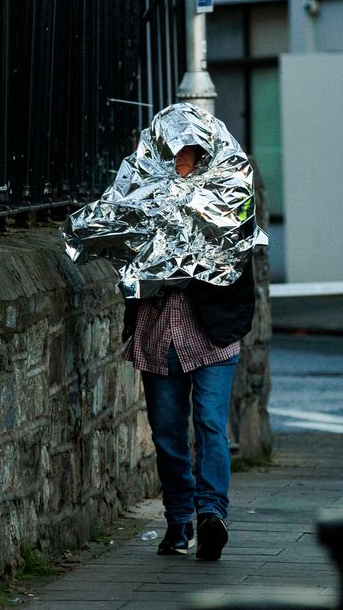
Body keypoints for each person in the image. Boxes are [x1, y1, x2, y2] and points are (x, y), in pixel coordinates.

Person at [122, 141, 256, 560]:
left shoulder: (227, 195)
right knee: (167, 434)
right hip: (158, 332)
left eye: (188, 154)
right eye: (173, 154)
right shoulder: (142, 195)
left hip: (210, 335)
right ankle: (179, 520)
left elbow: (237, 256)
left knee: (211, 425)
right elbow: (122, 255)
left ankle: (211, 514)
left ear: (202, 158)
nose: (180, 162)